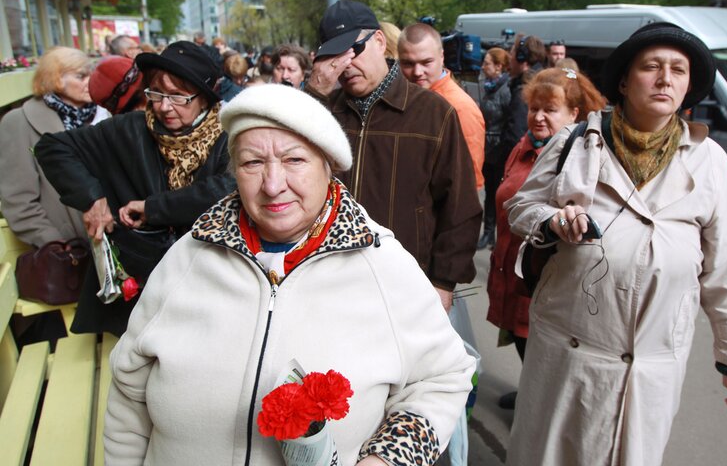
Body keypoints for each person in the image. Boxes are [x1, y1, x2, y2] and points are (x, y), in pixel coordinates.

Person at [103, 85, 476, 465]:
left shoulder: (381, 264)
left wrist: (387, 460)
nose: (272, 184)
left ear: (327, 166)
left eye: (294, 160)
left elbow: (444, 378)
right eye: (252, 163)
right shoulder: (189, 257)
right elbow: (128, 394)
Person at [504, 23, 727, 465]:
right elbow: (521, 207)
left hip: (651, 368)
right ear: (624, 81)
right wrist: (553, 221)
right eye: (651, 67)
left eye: (678, 70)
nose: (665, 79)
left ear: (688, 87)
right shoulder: (575, 142)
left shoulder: (710, 160)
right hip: (567, 356)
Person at [34, 41, 236, 336]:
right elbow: (53, 147)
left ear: (204, 98)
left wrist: (153, 208)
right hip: (141, 292)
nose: (164, 106)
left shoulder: (229, 136)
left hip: (207, 285)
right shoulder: (130, 128)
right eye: (157, 93)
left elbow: (227, 188)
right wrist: (91, 198)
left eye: (178, 97)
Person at [305, 0, 482, 312]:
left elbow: (459, 206)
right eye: (333, 56)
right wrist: (313, 97)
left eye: (353, 50)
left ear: (379, 41)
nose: (345, 64)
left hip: (405, 286)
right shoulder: (320, 111)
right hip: (329, 283)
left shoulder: (434, 112)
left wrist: (443, 282)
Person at [487, 67, 606, 410]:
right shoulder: (523, 146)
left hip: (544, 277)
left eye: (550, 109)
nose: (538, 117)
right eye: (534, 108)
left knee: (543, 350)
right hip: (511, 269)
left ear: (574, 114)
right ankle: (531, 394)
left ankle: (540, 411)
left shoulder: (580, 160)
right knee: (522, 341)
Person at [0, 46, 109, 248]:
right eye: (80, 76)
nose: (90, 81)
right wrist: (58, 244)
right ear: (55, 78)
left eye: (91, 74)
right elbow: (19, 201)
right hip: (69, 249)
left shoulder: (104, 112)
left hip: (114, 243)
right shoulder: (18, 121)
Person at [398, 23, 486, 190]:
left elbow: (471, 180)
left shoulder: (460, 108)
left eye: (426, 62)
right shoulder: (404, 96)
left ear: (442, 57)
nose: (417, 72)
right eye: (408, 63)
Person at [477, 47, 513, 249]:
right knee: (490, 193)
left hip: (500, 151)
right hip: (488, 149)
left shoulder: (506, 90)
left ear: (499, 67)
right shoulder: (488, 87)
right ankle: (488, 233)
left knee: (501, 195)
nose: (483, 66)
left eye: (487, 63)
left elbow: (510, 121)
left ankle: (500, 235)